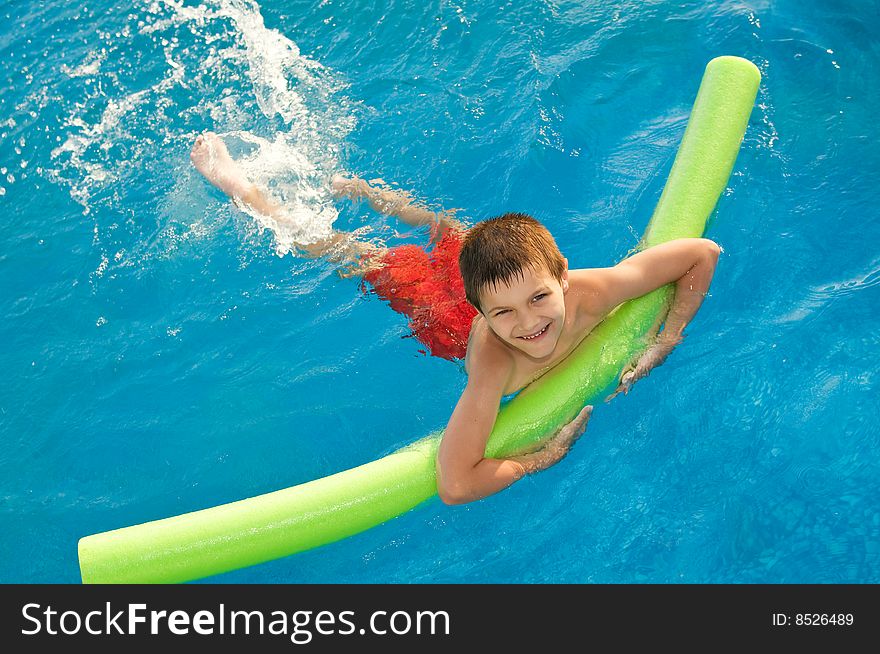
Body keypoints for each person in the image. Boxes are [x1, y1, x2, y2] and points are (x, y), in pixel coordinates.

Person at [190, 132, 721, 506]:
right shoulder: (494, 365)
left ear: (561, 276)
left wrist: (667, 338)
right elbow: (456, 485)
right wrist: (538, 459)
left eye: (540, 297)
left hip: (484, 286)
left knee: (457, 235)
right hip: (444, 318)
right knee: (349, 253)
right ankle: (246, 190)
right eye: (506, 314)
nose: (530, 323)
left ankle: (366, 192)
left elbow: (703, 252)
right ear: (485, 313)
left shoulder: (591, 291)